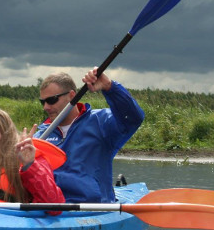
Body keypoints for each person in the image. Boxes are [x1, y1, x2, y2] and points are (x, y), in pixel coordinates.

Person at [35, 68, 144, 203]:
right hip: (52, 210)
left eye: (51, 100)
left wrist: (110, 88)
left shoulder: (101, 122)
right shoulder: (40, 136)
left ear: (72, 95)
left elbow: (133, 118)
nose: (45, 107)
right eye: (43, 102)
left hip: (94, 209)